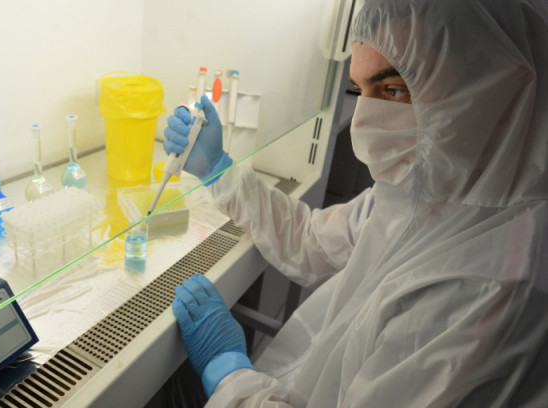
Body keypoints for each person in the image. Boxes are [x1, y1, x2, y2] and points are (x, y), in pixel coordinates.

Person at [166, 0, 548, 406]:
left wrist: (231, 378)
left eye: (394, 90)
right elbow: (313, 239)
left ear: (494, 88)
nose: (363, 121)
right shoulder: (423, 195)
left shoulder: (487, 288)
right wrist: (219, 171)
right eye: (360, 90)